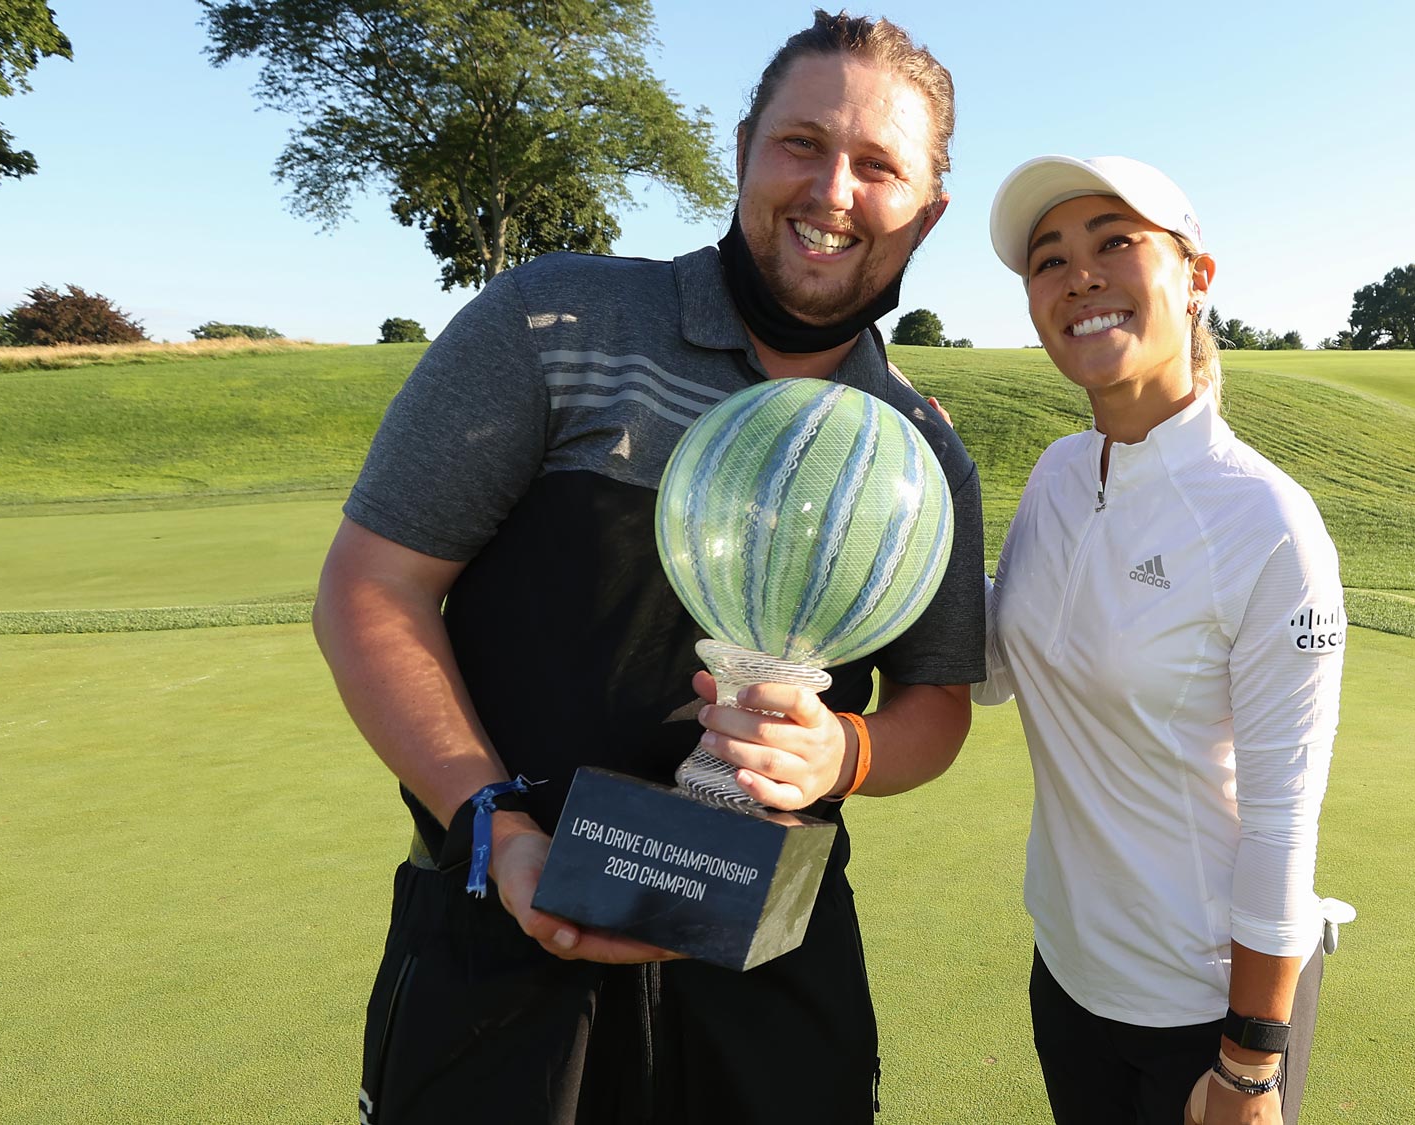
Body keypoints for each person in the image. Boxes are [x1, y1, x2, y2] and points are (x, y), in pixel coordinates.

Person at [311, 12, 985, 1124]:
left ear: (926, 210)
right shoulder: (551, 318)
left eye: (878, 166)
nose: (832, 191)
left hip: (769, 970)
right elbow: (371, 589)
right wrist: (493, 826)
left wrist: (841, 751)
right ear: (741, 151)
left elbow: (936, 710)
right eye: (801, 144)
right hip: (501, 949)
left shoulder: (919, 449)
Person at [976, 155, 1346, 1125]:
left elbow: (1280, 822)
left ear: (1194, 278)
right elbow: (992, 671)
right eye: (1047, 260)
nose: (1078, 276)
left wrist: (1249, 1065)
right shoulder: (1057, 475)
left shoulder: (1266, 523)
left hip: (1207, 1012)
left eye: (1114, 243)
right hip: (1065, 971)